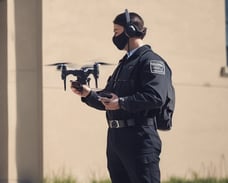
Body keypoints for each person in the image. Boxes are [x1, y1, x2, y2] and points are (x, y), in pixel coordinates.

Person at [70, 10, 173, 183]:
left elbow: (155, 97)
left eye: (116, 32)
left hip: (139, 138)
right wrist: (87, 94)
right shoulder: (124, 64)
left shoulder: (151, 61)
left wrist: (122, 103)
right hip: (116, 139)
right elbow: (109, 100)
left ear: (130, 31)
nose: (114, 37)